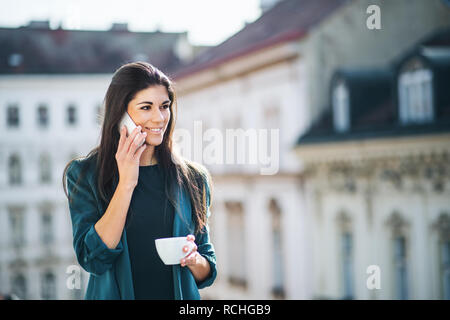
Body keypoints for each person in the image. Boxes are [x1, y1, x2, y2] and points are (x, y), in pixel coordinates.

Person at [62, 61, 217, 300]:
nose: (159, 118)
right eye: (146, 107)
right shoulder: (84, 175)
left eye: (164, 106)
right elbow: (93, 259)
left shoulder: (194, 179)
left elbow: (207, 271)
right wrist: (126, 183)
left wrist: (193, 258)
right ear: (120, 115)